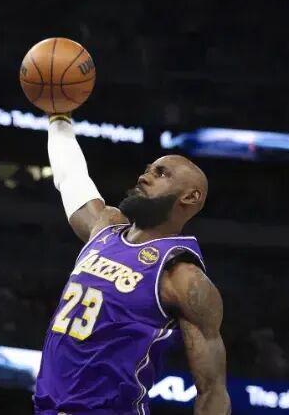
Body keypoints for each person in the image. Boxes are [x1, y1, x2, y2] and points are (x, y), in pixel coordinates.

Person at [33, 113, 231, 415]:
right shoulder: (104, 229)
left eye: (161, 173)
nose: (144, 177)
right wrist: (59, 119)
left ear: (190, 197)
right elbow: (71, 177)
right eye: (147, 169)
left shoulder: (182, 277)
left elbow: (212, 390)